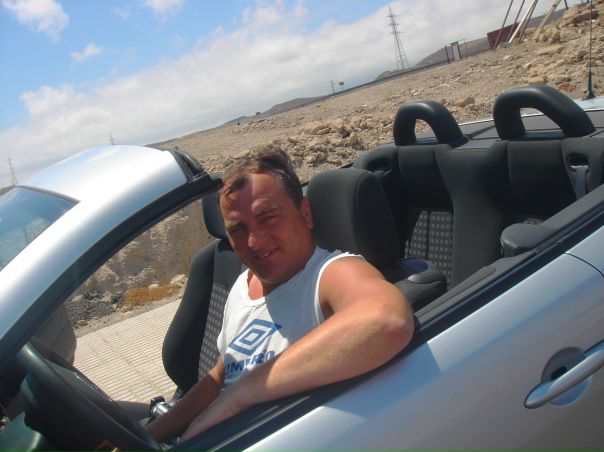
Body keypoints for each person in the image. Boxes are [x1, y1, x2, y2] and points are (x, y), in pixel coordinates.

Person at [145, 148, 414, 443]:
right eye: (238, 229)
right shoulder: (244, 284)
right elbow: (219, 376)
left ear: (305, 213)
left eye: (268, 218)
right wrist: (147, 436)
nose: (254, 241)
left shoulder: (330, 274)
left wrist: (241, 394)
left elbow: (386, 321)